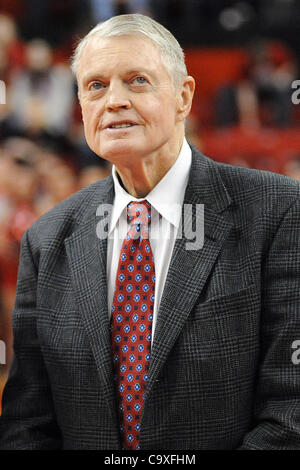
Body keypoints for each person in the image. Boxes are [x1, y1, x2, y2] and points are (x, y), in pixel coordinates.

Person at [1, 13, 300, 450]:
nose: (114, 100)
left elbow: (291, 410)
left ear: (183, 97)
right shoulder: (45, 240)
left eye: (137, 80)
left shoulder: (279, 212)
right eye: (96, 85)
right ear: (80, 106)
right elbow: (25, 425)